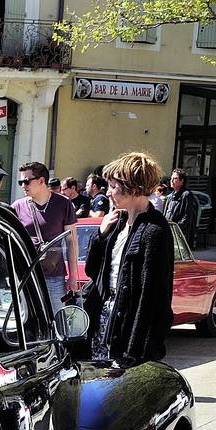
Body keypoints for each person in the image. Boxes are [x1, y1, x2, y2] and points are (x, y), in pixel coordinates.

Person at [80, 152, 174, 368]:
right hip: (102, 323)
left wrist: (136, 351)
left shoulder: (155, 231)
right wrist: (100, 235)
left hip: (128, 333)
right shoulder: (116, 221)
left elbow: (153, 297)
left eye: (113, 186)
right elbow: (93, 271)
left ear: (131, 186)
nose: (109, 192)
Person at [12, 161, 80, 309]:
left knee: (57, 317)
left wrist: (73, 276)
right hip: (26, 275)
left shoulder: (63, 204)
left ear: (41, 180)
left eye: (26, 181)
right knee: (28, 319)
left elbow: (71, 241)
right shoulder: (17, 206)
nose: (23, 185)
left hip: (54, 275)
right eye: (20, 182)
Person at [161, 169, 195, 245]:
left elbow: (187, 217)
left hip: (179, 233)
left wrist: (177, 228)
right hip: (168, 231)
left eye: (175, 178)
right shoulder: (170, 196)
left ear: (182, 181)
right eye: (171, 178)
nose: (172, 180)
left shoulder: (186, 195)